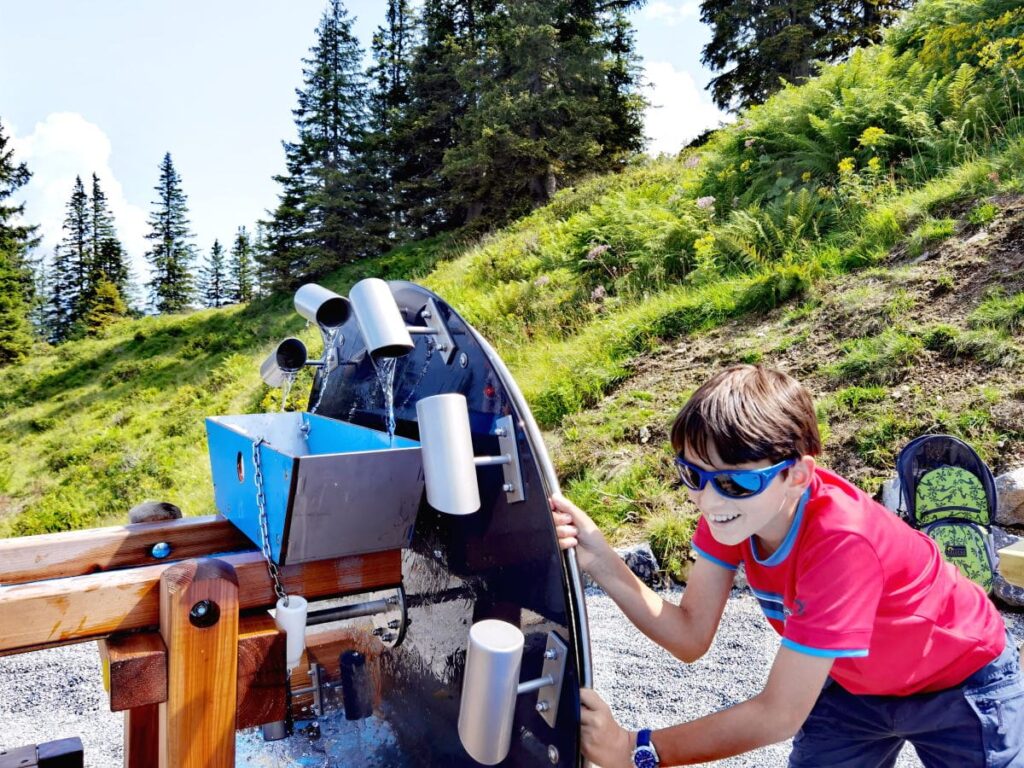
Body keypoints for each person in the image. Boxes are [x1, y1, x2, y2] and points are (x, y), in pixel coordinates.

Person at [551, 364, 1023, 768]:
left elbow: (778, 715)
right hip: (853, 685)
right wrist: (601, 559)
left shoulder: (842, 541)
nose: (707, 499)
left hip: (961, 684)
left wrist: (636, 751)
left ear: (797, 474)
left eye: (735, 483)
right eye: (692, 474)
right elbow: (691, 635)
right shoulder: (733, 515)